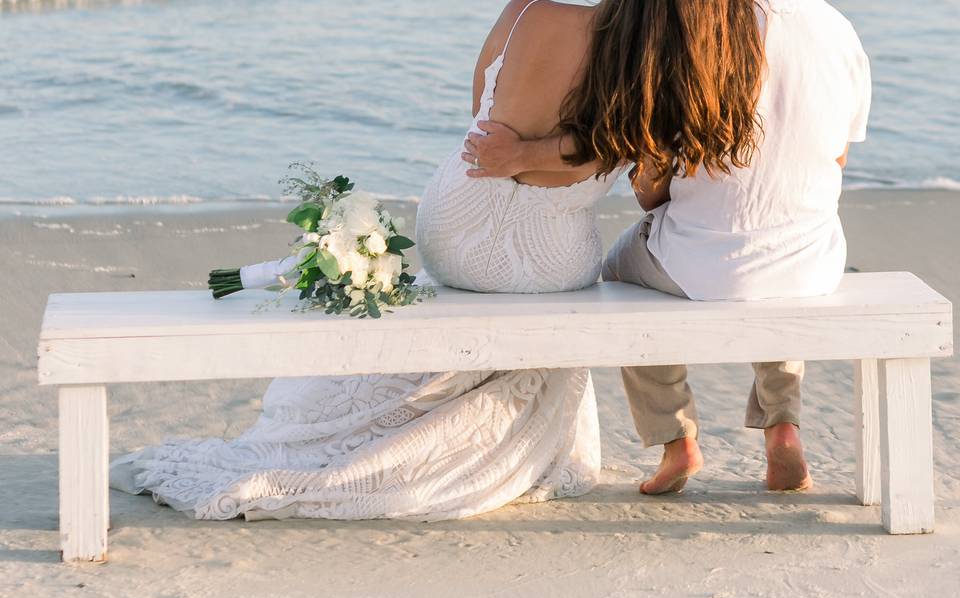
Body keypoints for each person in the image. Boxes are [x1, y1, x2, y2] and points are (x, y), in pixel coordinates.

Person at [110, 0, 772, 520]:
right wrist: (547, 158)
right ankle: (500, 444)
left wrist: (520, 155)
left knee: (447, 281)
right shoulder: (672, 51)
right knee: (577, 277)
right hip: (553, 263)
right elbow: (636, 152)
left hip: (459, 237)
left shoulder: (538, 14)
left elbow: (482, 110)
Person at [463, 0, 872, 495]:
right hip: (813, 261)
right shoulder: (838, 28)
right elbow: (838, 155)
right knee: (777, 253)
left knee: (619, 277)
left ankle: (676, 439)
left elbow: (650, 180)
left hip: (702, 267)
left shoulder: (705, 27)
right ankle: (782, 424)